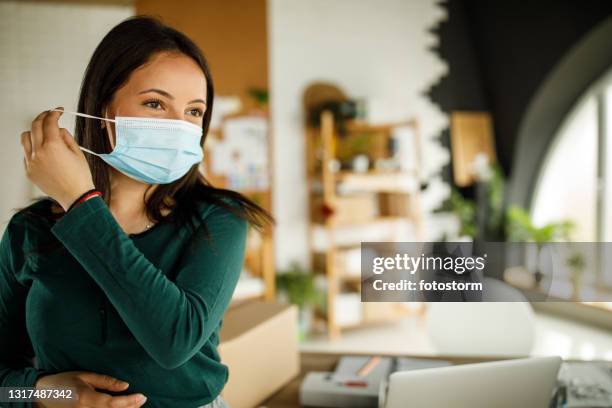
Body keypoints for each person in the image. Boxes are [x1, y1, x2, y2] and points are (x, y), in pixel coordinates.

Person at [0, 15, 274, 408]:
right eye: (155, 103)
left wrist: (81, 203)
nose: (179, 126)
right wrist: (48, 393)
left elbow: (173, 340)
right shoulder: (29, 231)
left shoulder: (219, 220)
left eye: (194, 112)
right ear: (103, 109)